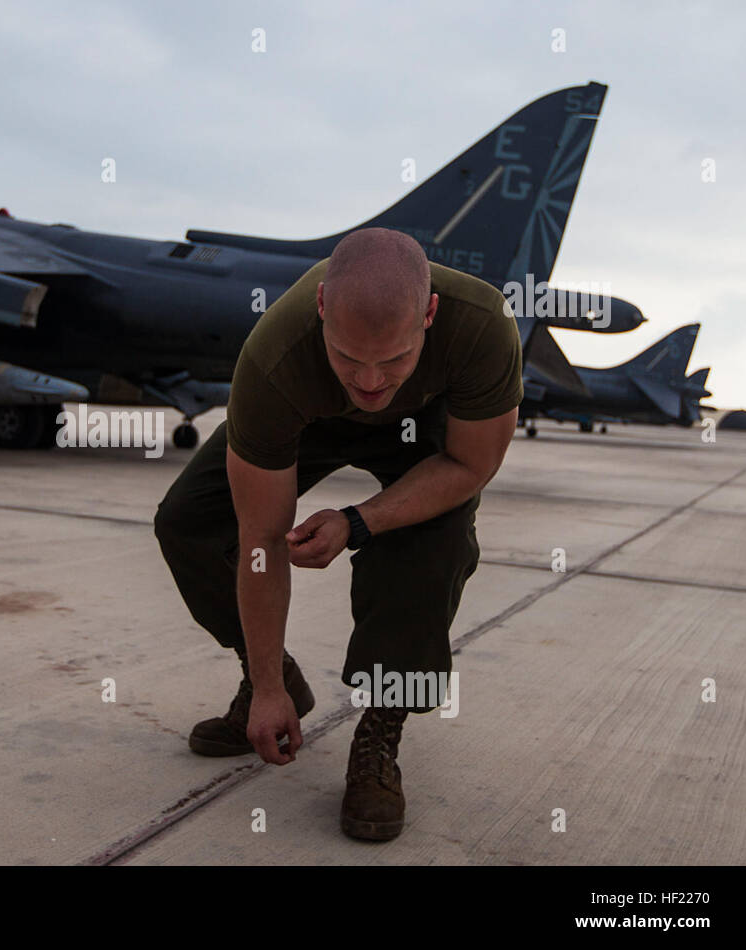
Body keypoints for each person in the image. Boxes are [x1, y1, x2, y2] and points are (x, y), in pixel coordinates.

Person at [153, 227, 522, 840]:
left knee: (431, 549)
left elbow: (469, 465)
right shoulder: (275, 359)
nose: (372, 381)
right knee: (188, 523)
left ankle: (381, 732)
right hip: (313, 412)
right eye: (350, 358)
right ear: (322, 307)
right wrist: (269, 682)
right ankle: (265, 683)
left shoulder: (482, 326)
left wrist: (358, 523)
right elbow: (261, 540)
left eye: (394, 358)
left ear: (429, 316)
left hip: (426, 426)